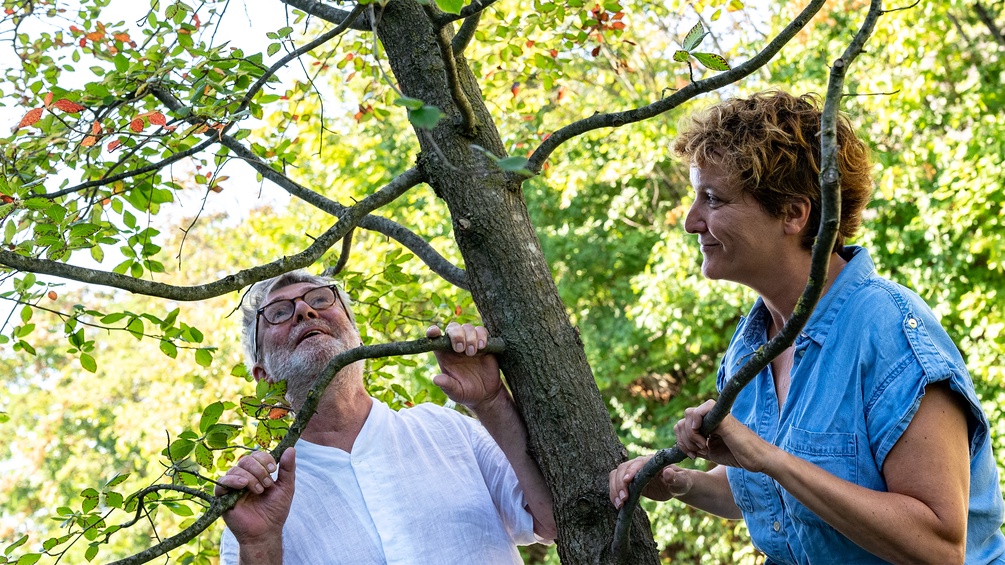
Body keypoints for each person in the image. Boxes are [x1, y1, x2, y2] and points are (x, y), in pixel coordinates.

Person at [609, 91, 1005, 564]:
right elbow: (773, 497)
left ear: (794, 214)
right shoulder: (749, 348)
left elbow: (940, 548)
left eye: (713, 199)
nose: (692, 222)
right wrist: (681, 483)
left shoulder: (890, 334)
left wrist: (770, 458)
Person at [215, 270, 556, 564]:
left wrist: (491, 400)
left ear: (356, 336)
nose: (304, 311)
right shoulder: (256, 505)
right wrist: (259, 545)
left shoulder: (447, 430)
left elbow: (555, 521)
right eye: (278, 312)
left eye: (320, 300)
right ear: (264, 377)